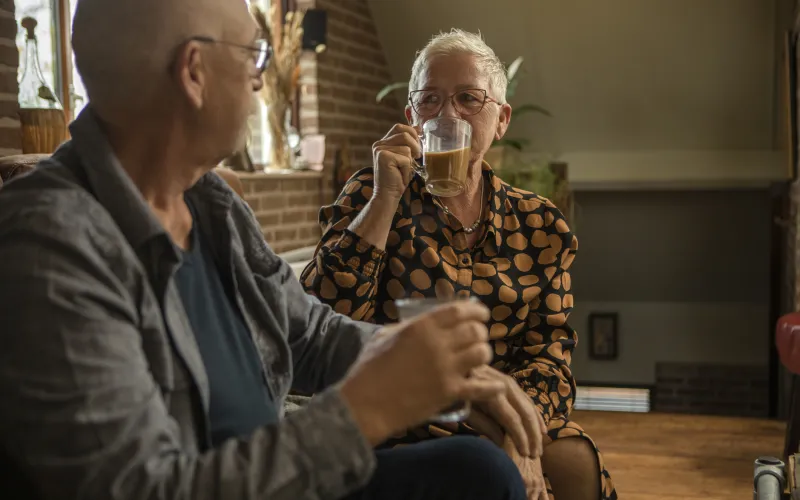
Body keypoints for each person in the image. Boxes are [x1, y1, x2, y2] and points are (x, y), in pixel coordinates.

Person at [0, 2, 542, 500]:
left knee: (478, 472)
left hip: (282, 469)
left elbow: (309, 334)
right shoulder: (50, 248)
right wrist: (365, 410)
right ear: (194, 72)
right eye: (253, 53)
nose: (262, 78)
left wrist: (443, 369)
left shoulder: (212, 206)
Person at [301, 29, 617, 500]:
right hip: (405, 409)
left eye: (468, 98)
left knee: (577, 460)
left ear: (502, 118)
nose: (448, 115)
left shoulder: (540, 224)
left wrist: (518, 433)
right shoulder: (374, 193)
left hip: (504, 410)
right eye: (430, 100)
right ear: (411, 117)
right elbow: (322, 316)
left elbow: (549, 357)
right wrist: (386, 198)